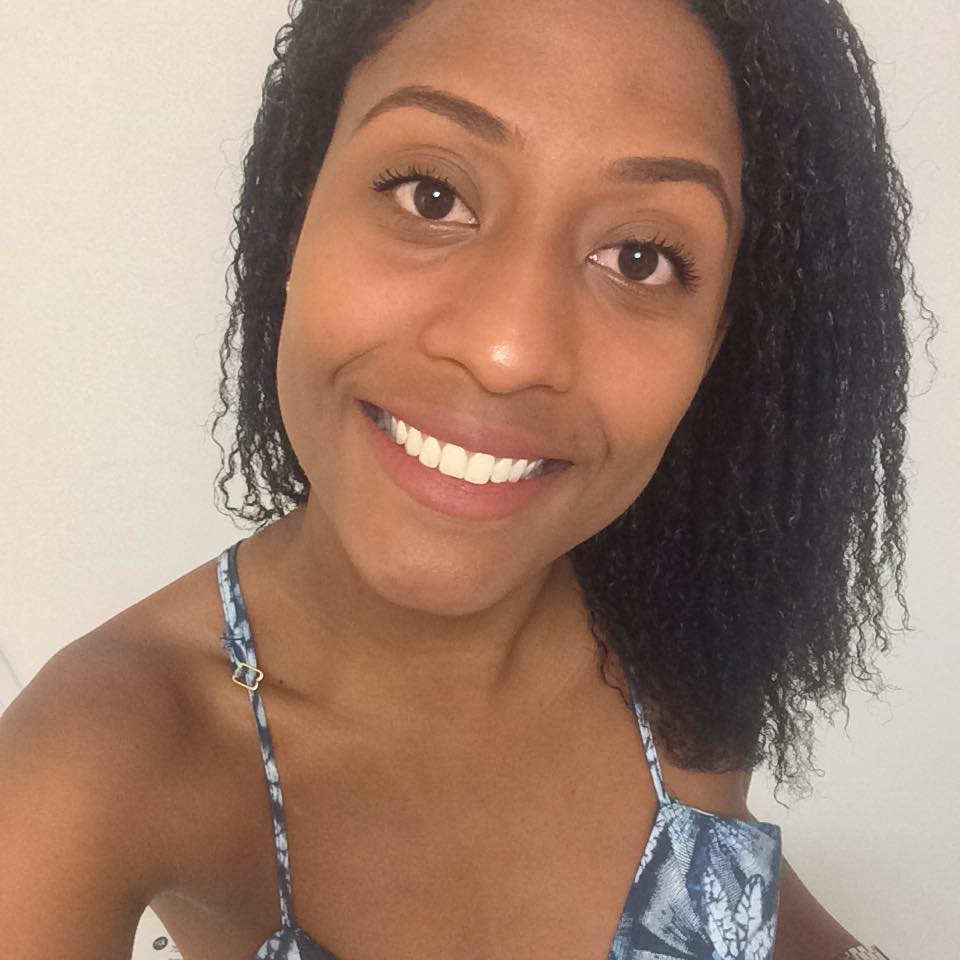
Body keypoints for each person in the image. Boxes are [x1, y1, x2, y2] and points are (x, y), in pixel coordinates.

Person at [0, 0, 932, 957]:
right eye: (431, 196)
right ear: (297, 210)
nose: (506, 350)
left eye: (640, 258)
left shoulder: (681, 637)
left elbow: (731, 901)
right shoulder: (97, 763)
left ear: (718, 341)